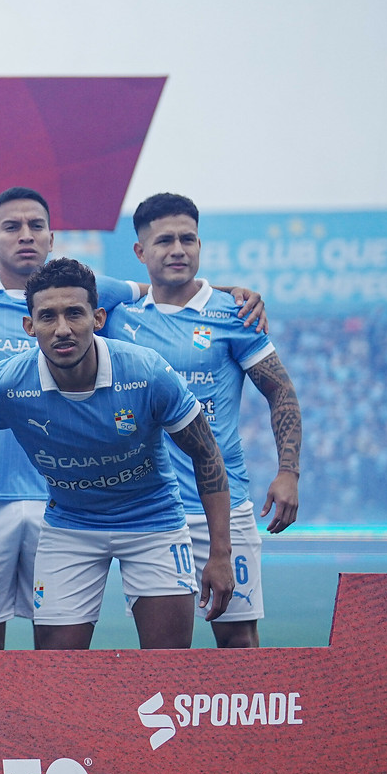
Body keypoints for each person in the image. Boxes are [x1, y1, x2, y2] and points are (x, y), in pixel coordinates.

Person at [0, 187, 269, 650]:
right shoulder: (7, 379)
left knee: (168, 664)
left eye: (75, 314)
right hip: (70, 525)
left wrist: (220, 552)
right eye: (48, 317)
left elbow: (206, 452)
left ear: (98, 317)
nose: (62, 328)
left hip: (153, 521)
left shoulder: (147, 371)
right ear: (29, 326)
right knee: (57, 668)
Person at [107, 193, 303, 647]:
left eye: (188, 239)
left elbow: (280, 391)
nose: (178, 249)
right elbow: (54, 286)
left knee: (238, 641)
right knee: (164, 651)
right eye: (164, 241)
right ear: (140, 251)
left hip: (223, 506)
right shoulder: (115, 317)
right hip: (150, 512)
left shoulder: (235, 313)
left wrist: (288, 472)